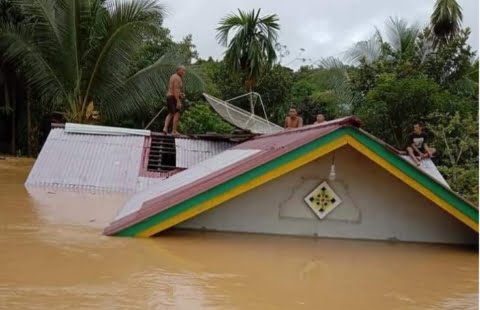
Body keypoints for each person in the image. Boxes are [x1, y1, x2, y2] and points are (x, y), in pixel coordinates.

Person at [163, 65, 186, 135]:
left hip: (170, 96)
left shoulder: (173, 76)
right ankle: (174, 131)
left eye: (185, 71)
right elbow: (175, 89)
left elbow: (174, 89)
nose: (184, 72)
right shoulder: (177, 78)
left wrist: (180, 94)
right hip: (173, 97)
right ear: (178, 70)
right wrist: (178, 101)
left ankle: (165, 128)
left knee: (171, 113)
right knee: (177, 113)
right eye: (183, 70)